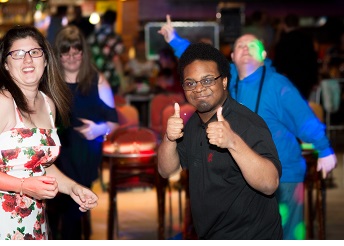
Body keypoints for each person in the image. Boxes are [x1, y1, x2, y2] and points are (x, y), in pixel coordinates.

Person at [158, 15, 337, 240]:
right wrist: (173, 39)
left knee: (289, 233)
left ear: (264, 54)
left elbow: (304, 119)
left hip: (284, 172)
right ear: (231, 58)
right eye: (239, 45)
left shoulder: (277, 84)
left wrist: (324, 148)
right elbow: (199, 66)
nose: (245, 48)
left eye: (252, 45)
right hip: (236, 175)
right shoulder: (227, 82)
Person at [158, 42, 283, 239]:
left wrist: (233, 142)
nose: (199, 88)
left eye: (207, 80)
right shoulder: (193, 124)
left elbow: (270, 183)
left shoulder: (247, 123)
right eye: (190, 83)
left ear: (224, 81)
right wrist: (169, 138)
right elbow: (166, 170)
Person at [0, 25, 98, 240]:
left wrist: (73, 188)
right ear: (6, 65)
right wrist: (24, 186)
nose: (27, 60)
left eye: (34, 52)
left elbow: (40, 165)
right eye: (17, 54)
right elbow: (27, 179)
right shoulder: (3, 102)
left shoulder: (48, 103)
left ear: (45, 60)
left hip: (34, 221)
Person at [46, 25, 119, 240]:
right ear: (57, 54)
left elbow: (113, 123)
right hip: (54, 156)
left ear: (84, 53)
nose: (71, 58)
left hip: (83, 156)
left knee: (72, 217)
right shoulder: (49, 82)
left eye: (76, 52)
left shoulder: (98, 81)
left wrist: (99, 129)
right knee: (50, 214)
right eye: (65, 53)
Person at [273, 13, 319, 100]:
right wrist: (314, 80)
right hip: (305, 79)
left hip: (288, 79)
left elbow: (278, 62)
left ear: (284, 25)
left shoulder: (283, 41)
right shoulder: (306, 39)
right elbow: (312, 60)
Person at [87, 9, 125, 95]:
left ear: (103, 19)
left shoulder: (92, 36)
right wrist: (123, 82)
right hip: (110, 78)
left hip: (94, 77)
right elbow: (116, 60)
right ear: (115, 21)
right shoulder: (115, 37)